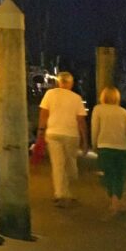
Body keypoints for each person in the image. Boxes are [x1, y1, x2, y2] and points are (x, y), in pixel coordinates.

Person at [35, 71, 88, 204]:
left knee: (57, 164)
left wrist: (41, 131)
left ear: (58, 82)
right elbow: (81, 121)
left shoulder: (50, 94)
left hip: (53, 133)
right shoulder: (76, 98)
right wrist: (85, 140)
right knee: (70, 163)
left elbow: (43, 114)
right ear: (71, 83)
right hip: (71, 134)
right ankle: (68, 191)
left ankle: (60, 193)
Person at [91, 86, 126, 216]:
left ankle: (113, 201)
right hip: (122, 149)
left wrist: (94, 144)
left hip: (104, 147)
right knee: (120, 176)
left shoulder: (98, 110)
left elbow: (95, 129)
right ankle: (116, 201)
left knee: (109, 175)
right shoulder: (124, 113)